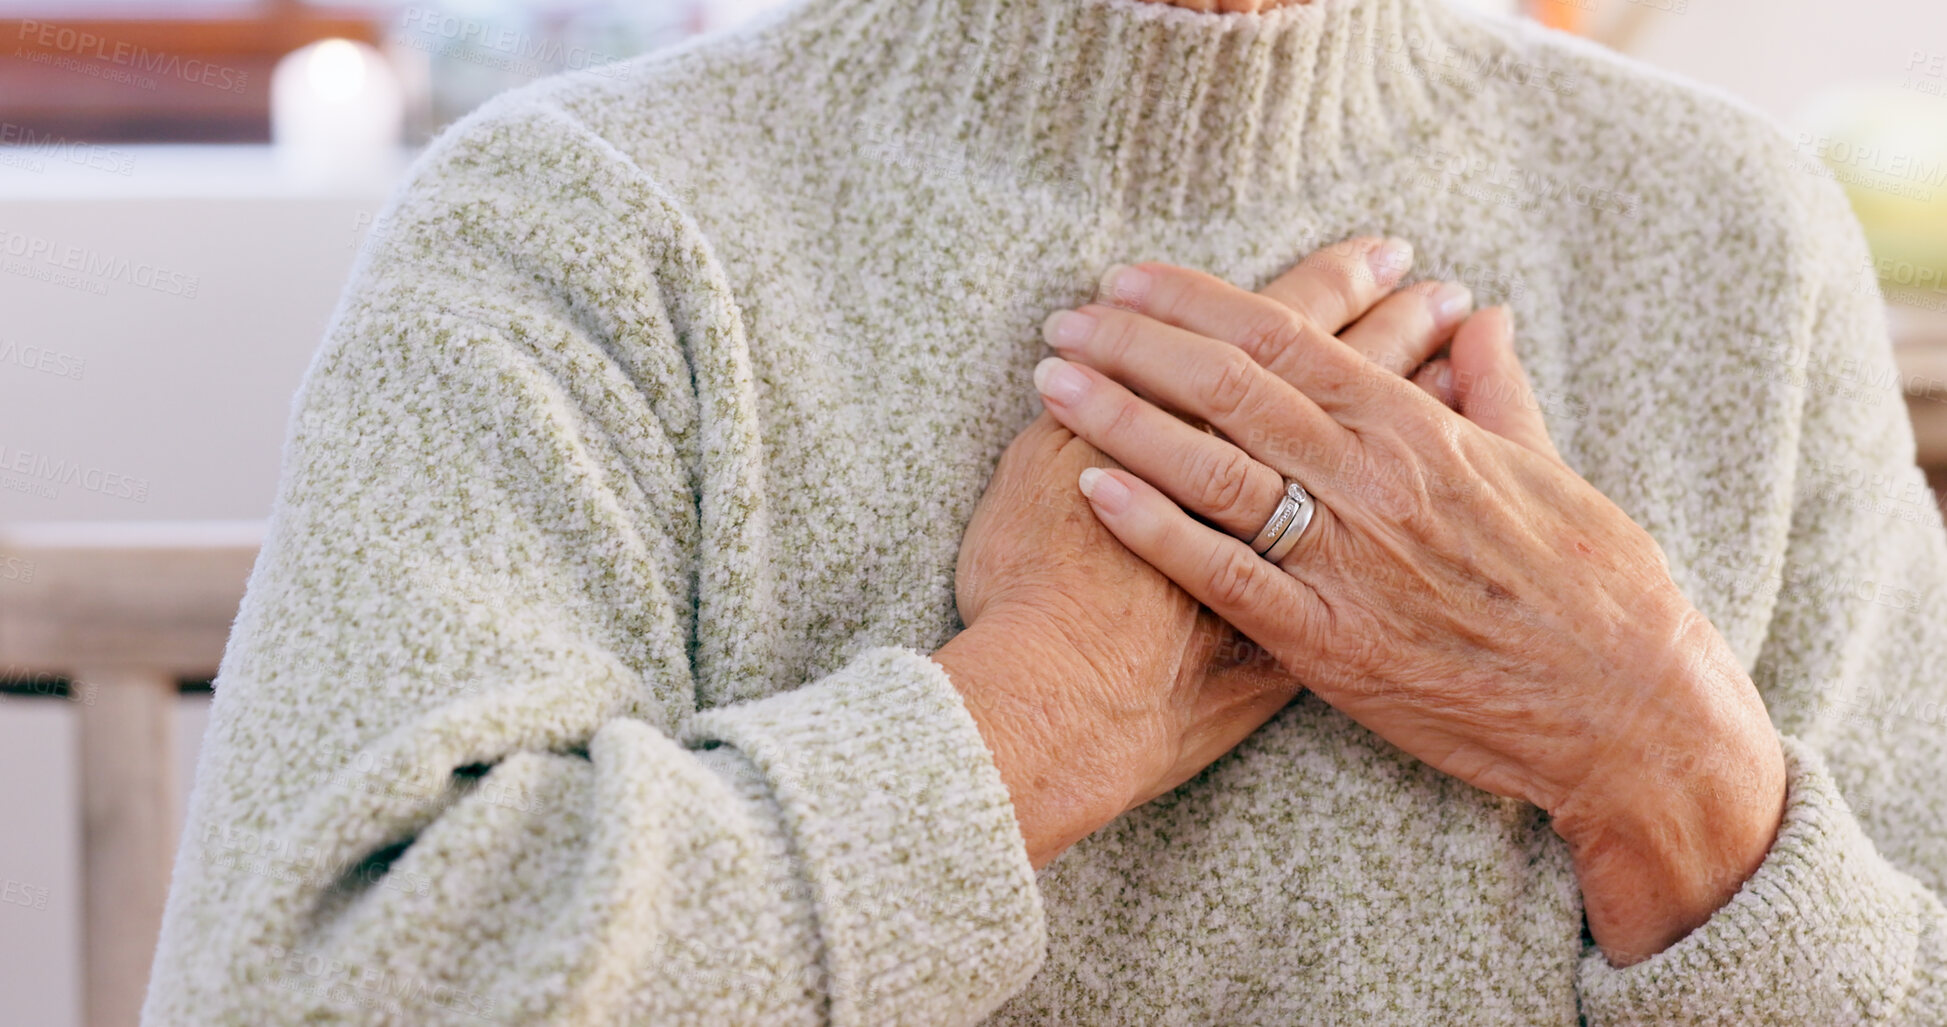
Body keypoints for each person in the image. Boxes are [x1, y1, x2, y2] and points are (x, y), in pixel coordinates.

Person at [145, 0, 1947, 1022]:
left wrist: (1661, 755)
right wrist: (1018, 727)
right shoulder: (577, 227)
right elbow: (309, 993)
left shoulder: (1729, 233)